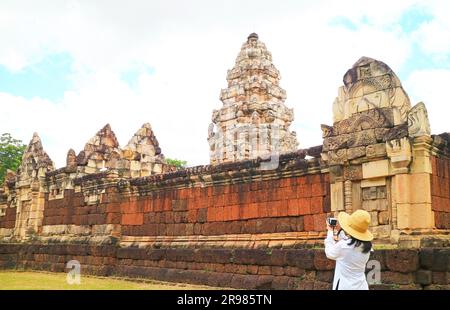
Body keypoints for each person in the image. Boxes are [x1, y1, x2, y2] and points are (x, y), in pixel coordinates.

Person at [324, 210, 374, 290]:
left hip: (345, 286)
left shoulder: (344, 246)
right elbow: (351, 243)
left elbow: (329, 253)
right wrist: (341, 232)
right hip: (361, 286)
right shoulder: (367, 247)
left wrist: (330, 231)